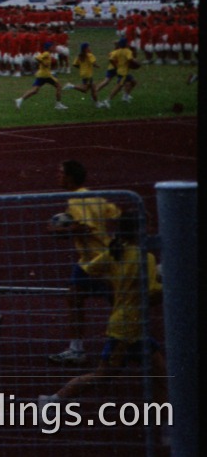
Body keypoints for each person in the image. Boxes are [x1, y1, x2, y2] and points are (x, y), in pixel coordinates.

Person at [40, 210, 167, 412]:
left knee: (161, 374)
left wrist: (117, 285)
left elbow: (87, 270)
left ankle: (167, 427)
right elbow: (150, 294)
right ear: (140, 230)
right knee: (104, 374)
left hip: (128, 324)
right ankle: (52, 401)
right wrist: (171, 284)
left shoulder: (115, 251)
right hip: (128, 329)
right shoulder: (146, 258)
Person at [47, 159, 122, 366]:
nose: (58, 176)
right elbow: (116, 213)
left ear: (70, 177)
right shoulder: (93, 196)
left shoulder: (76, 201)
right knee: (76, 297)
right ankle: (77, 348)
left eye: (61, 173)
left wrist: (57, 230)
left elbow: (85, 227)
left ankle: (126, 343)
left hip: (96, 261)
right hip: (95, 259)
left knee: (116, 301)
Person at [17, 43, 66, 110]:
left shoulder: (48, 54)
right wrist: (43, 63)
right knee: (59, 86)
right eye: (52, 47)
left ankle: (20, 99)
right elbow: (37, 58)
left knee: (35, 90)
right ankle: (58, 104)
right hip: (46, 75)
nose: (54, 48)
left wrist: (43, 63)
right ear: (49, 48)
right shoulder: (46, 53)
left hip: (41, 75)